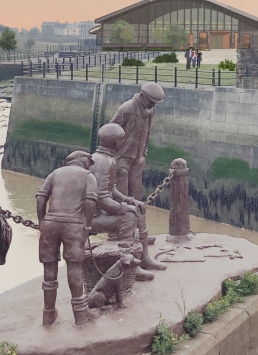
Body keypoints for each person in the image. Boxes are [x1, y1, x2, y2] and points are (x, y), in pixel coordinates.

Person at [36, 149, 101, 327]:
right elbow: (90, 201)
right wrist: (86, 224)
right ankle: (80, 316)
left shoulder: (54, 174)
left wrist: (42, 222)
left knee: (49, 269)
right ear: (80, 160)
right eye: (89, 161)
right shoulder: (88, 176)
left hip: (50, 224)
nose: (90, 164)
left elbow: (41, 199)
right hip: (73, 225)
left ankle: (48, 314)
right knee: (74, 268)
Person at [110, 82, 169, 276]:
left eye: (156, 103)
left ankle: (139, 234)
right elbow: (110, 132)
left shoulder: (149, 110)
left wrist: (143, 153)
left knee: (137, 198)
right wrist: (111, 160)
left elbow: (147, 131)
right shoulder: (126, 109)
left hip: (138, 159)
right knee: (122, 199)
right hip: (122, 161)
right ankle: (119, 235)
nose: (154, 105)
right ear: (143, 96)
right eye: (152, 101)